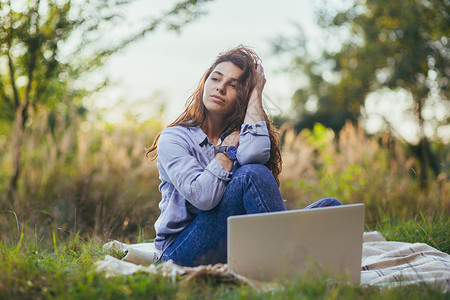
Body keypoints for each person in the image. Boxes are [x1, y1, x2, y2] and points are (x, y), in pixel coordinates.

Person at [146, 45, 341, 267]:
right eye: (216, 79)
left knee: (330, 208)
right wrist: (226, 153)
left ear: (243, 96)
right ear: (204, 83)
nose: (220, 88)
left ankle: (292, 255)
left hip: (235, 243)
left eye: (233, 85)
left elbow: (254, 155)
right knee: (251, 174)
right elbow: (204, 197)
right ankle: (291, 264)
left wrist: (256, 93)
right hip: (180, 252)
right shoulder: (174, 138)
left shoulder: (241, 133)